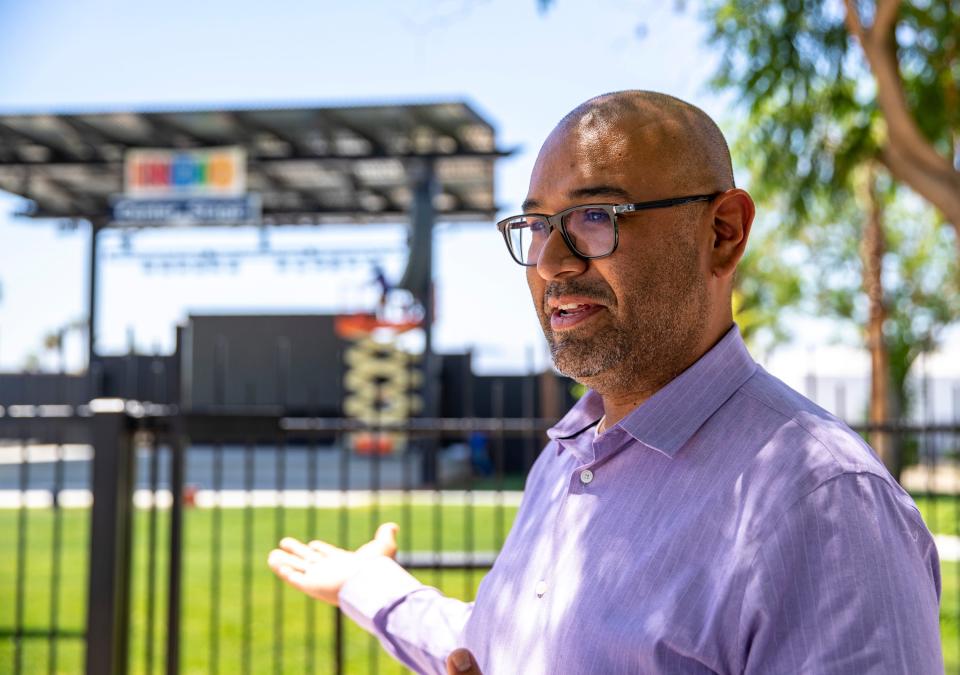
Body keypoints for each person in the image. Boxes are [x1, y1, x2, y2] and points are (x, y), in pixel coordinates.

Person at [268, 91, 943, 674]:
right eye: (537, 226)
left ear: (723, 232)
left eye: (597, 216)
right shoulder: (569, 459)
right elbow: (507, 646)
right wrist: (372, 586)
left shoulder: (821, 505)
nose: (553, 261)